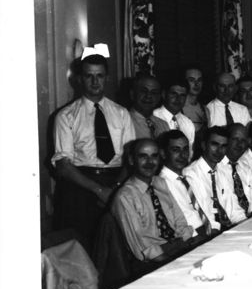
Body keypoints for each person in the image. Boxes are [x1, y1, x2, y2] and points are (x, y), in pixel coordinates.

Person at [51, 53, 134, 250]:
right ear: (80, 79)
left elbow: (131, 158)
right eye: (89, 76)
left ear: (107, 78)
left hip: (116, 182)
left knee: (116, 246)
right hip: (80, 186)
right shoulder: (66, 116)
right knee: (81, 247)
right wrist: (99, 190)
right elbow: (63, 166)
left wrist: (114, 188)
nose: (95, 81)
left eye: (100, 75)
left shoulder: (122, 113)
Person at [112, 138, 195, 262]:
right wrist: (174, 263)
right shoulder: (125, 196)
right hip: (155, 259)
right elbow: (142, 246)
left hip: (178, 246)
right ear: (131, 160)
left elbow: (179, 220)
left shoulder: (159, 182)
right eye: (143, 156)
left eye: (154, 156)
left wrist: (192, 249)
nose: (150, 162)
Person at [183, 125, 248, 232]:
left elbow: (234, 208)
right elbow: (203, 216)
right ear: (204, 145)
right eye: (214, 144)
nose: (219, 150)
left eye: (223, 146)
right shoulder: (190, 174)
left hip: (229, 229)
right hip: (209, 232)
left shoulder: (223, 170)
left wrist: (246, 225)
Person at [158, 129, 213, 238]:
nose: (182, 155)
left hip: (208, 230)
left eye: (185, 149)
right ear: (163, 153)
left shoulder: (189, 176)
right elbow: (176, 224)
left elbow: (206, 206)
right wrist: (201, 236)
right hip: (191, 238)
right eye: (175, 150)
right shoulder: (161, 184)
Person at [224, 123, 252, 216]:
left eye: (243, 140)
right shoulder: (217, 168)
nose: (239, 144)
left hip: (250, 219)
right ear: (226, 140)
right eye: (235, 139)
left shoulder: (245, 167)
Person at [153, 78, 196, 156]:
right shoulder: (153, 117)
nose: (178, 99)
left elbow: (189, 154)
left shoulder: (188, 123)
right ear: (164, 94)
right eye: (174, 94)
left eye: (182, 95)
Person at [128, 74, 169, 140]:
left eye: (154, 93)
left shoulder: (164, 125)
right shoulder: (125, 122)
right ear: (132, 94)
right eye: (143, 91)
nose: (148, 96)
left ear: (159, 97)